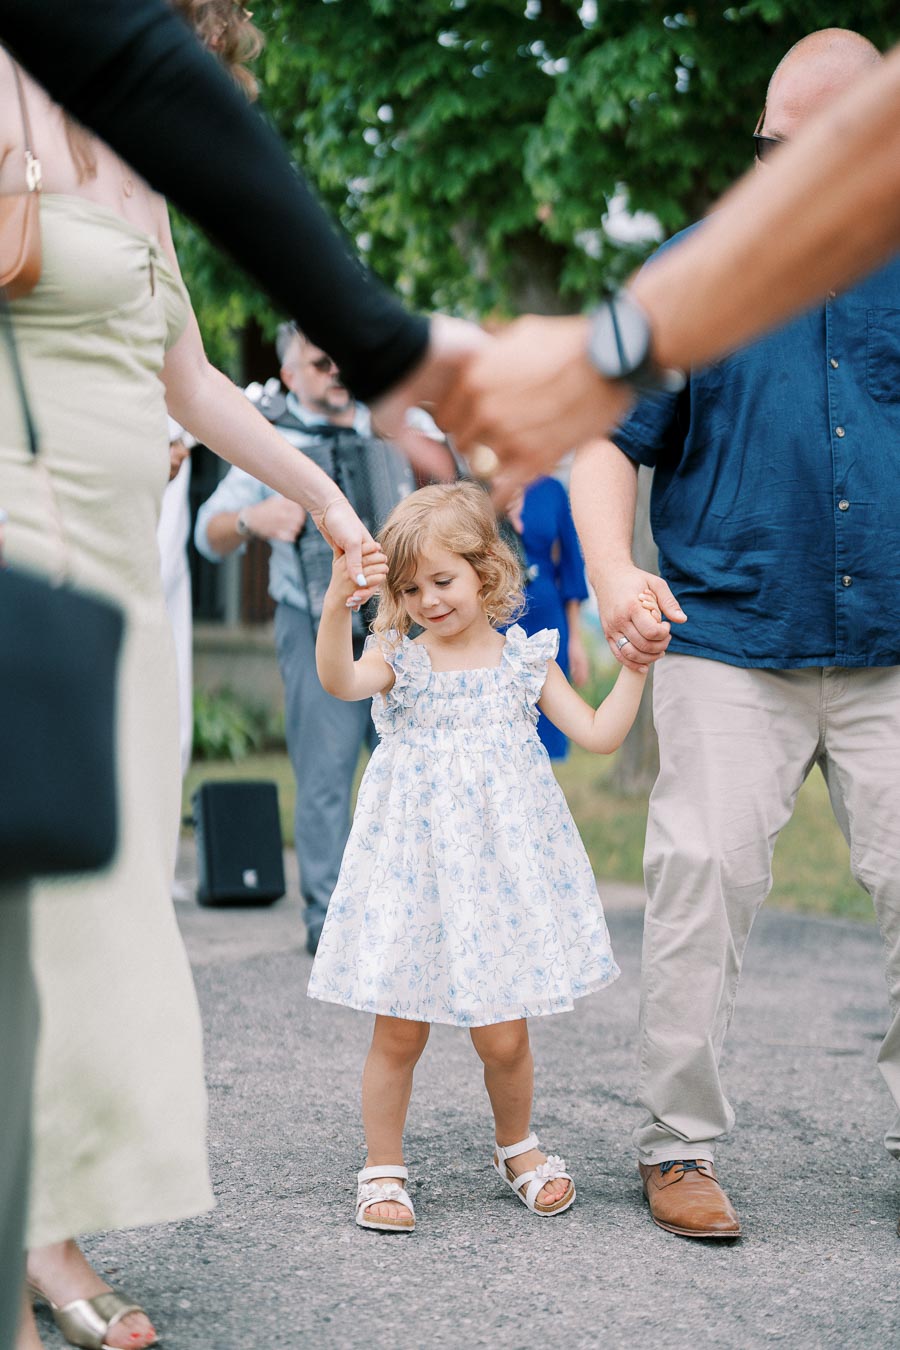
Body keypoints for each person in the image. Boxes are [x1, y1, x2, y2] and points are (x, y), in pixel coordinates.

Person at [0, 39, 384, 1350]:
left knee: (95, 903)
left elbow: (195, 385)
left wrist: (329, 497)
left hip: (120, 580)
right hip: (14, 548)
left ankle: (42, 1219)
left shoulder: (147, 170)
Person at [571, 30, 900, 1241]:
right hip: (727, 639)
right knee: (701, 883)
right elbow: (604, 434)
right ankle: (678, 1149)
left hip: (894, 645)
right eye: (772, 148)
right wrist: (612, 568)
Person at [308, 481, 650, 1232]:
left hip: (495, 882)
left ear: (486, 571)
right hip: (418, 875)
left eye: (443, 580)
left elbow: (597, 735)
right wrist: (338, 606)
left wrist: (635, 668)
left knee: (505, 1035)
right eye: (410, 587)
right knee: (399, 1029)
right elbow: (339, 681)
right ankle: (384, 1166)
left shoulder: (523, 662)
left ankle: (516, 1146)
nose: (428, 599)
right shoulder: (401, 660)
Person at [195, 323, 417, 954]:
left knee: (411, 764)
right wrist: (251, 518)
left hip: (399, 626)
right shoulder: (266, 441)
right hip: (313, 621)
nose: (337, 373)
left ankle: (408, 907)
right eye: (321, 364)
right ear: (290, 375)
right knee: (325, 774)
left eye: (343, 362)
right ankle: (330, 919)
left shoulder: (386, 429)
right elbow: (204, 536)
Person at [501, 477, 589, 760]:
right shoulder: (477, 481)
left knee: (547, 718)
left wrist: (575, 640)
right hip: (497, 613)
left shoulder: (551, 489)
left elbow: (571, 565)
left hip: (547, 616)